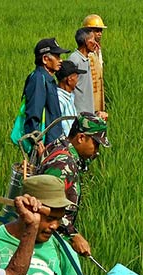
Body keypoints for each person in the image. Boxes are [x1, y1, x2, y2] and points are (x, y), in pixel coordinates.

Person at [36, 112, 110, 257]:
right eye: (96, 144)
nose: (97, 151)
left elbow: (81, 163)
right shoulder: (63, 164)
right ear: (81, 137)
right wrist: (74, 235)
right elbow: (47, 207)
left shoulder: (62, 145)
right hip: (48, 240)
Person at [23, 38, 71, 150]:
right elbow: (33, 114)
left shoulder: (48, 79)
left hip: (53, 143)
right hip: (45, 146)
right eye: (57, 56)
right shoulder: (38, 79)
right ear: (45, 59)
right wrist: (37, 143)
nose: (61, 60)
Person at [67, 28, 98, 117]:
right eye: (93, 39)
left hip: (88, 112)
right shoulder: (74, 60)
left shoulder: (86, 59)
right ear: (86, 41)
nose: (95, 43)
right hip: (79, 113)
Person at [82, 14, 107, 115]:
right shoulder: (85, 53)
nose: (100, 33)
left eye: (101, 30)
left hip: (98, 96)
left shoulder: (98, 50)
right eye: (96, 30)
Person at [55, 60, 87, 137]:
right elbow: (56, 128)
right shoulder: (59, 100)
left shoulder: (69, 96)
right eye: (76, 77)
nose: (77, 80)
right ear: (69, 79)